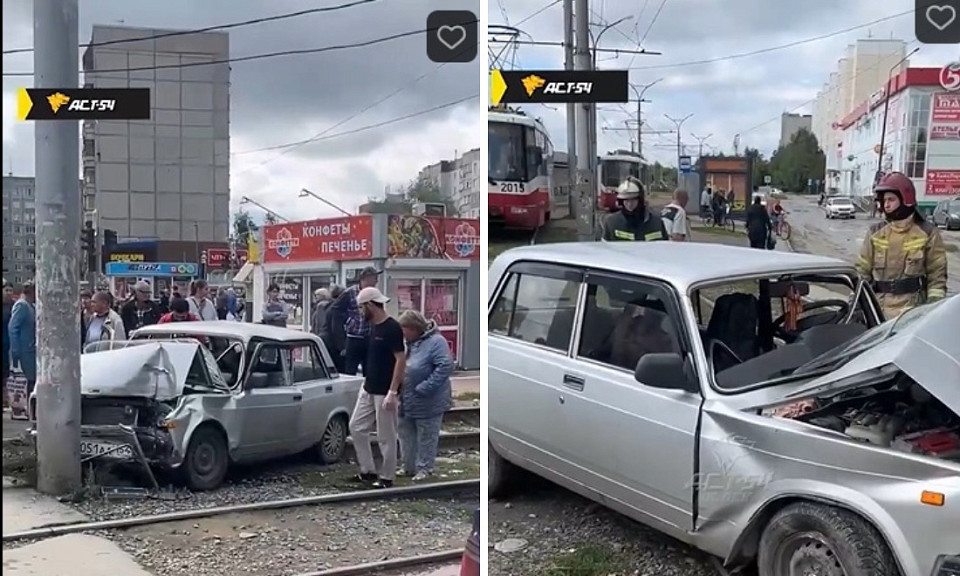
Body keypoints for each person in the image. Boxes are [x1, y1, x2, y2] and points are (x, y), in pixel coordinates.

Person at [855, 172, 948, 320]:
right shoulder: (875, 233)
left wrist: (932, 309)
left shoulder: (927, 232)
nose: (886, 204)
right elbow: (861, 272)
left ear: (906, 199)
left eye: (891, 199)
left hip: (913, 312)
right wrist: (856, 304)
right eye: (884, 200)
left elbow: (937, 276)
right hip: (878, 311)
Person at [348, 287, 405, 489]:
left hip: (384, 391)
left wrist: (393, 391)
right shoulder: (373, 327)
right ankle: (368, 470)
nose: (360, 312)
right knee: (356, 427)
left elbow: (400, 359)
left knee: (386, 436)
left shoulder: (392, 328)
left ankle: (387, 477)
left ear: (371, 305)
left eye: (361, 308)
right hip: (369, 386)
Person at [396, 310, 454, 481]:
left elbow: (445, 366)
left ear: (414, 329)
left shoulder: (436, 342)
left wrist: (425, 387)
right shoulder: (409, 343)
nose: (402, 333)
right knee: (406, 433)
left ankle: (425, 468)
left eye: (404, 329)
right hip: (407, 398)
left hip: (429, 399)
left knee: (427, 435)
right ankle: (408, 466)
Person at [330, 267, 382, 375]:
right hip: (354, 338)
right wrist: (349, 320)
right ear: (365, 279)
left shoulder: (375, 293)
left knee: (369, 370)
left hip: (369, 337)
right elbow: (335, 310)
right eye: (374, 278)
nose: (376, 281)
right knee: (350, 369)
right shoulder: (350, 293)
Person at [599, 177, 668, 242]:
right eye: (626, 200)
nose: (629, 204)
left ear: (641, 200)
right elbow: (606, 250)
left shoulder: (657, 222)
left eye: (633, 200)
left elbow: (664, 248)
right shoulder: (611, 223)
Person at [7, 282, 35, 398]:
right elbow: (13, 328)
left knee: (31, 381)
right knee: (25, 382)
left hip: (30, 350)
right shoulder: (22, 305)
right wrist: (15, 350)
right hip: (23, 351)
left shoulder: (31, 306)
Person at [2, 281, 15, 395]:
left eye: (10, 290)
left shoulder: (15, 306)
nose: (9, 293)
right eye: (6, 290)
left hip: (11, 342)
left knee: (9, 370)